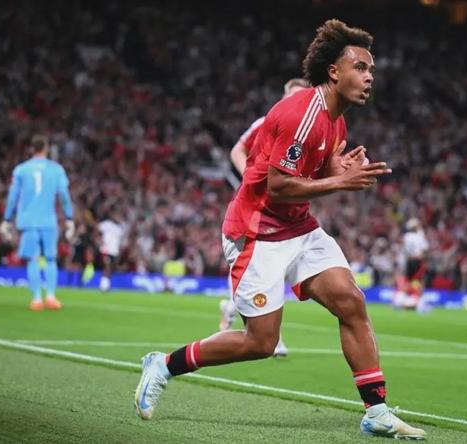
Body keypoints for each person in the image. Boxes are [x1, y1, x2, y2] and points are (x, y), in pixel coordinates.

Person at [134, 19, 426, 440]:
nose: (369, 78)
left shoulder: (336, 120)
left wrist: (337, 169)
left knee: (351, 301)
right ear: (334, 72)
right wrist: (340, 182)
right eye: (360, 68)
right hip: (256, 232)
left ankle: (376, 411)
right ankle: (163, 365)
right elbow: (279, 186)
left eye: (371, 70)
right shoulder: (301, 113)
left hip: (298, 228)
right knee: (260, 343)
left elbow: (313, 174)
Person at [219, 77, 311, 357]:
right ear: (283, 97)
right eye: (291, 96)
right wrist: (248, 176)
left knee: (273, 269)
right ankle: (269, 333)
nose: (295, 102)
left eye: (301, 98)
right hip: (254, 209)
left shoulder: (308, 130)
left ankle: (233, 310)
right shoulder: (266, 122)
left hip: (284, 213)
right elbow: (237, 150)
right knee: (259, 265)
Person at [0, 134, 75, 310]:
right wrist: (69, 217)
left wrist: (7, 218)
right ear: (47, 149)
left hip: (28, 221)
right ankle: (51, 296)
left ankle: (36, 299)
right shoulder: (56, 170)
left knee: (33, 259)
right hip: (48, 221)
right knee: (51, 259)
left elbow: (13, 196)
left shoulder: (21, 170)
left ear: (31, 149)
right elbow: (64, 195)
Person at [393, 218, 430, 311]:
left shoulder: (407, 236)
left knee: (408, 282)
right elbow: (425, 249)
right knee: (418, 282)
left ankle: (399, 301)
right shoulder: (420, 236)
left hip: (409, 261)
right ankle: (420, 304)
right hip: (417, 261)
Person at [97, 211, 125, 292]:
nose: (118, 218)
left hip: (114, 252)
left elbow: (119, 242)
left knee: (111, 269)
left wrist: (119, 251)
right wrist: (99, 240)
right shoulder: (106, 224)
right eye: (116, 215)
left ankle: (106, 284)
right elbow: (97, 229)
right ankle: (103, 286)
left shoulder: (119, 229)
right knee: (107, 267)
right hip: (106, 250)